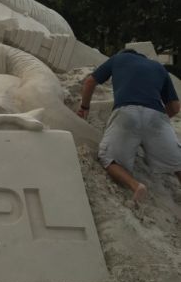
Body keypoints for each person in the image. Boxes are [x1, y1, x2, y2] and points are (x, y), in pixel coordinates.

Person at [78, 49, 181, 202]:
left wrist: (84, 107)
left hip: (126, 112)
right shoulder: (159, 67)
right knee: (178, 162)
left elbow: (90, 82)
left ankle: (136, 186)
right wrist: (157, 122)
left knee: (107, 157)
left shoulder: (118, 58)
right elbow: (175, 107)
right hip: (156, 115)